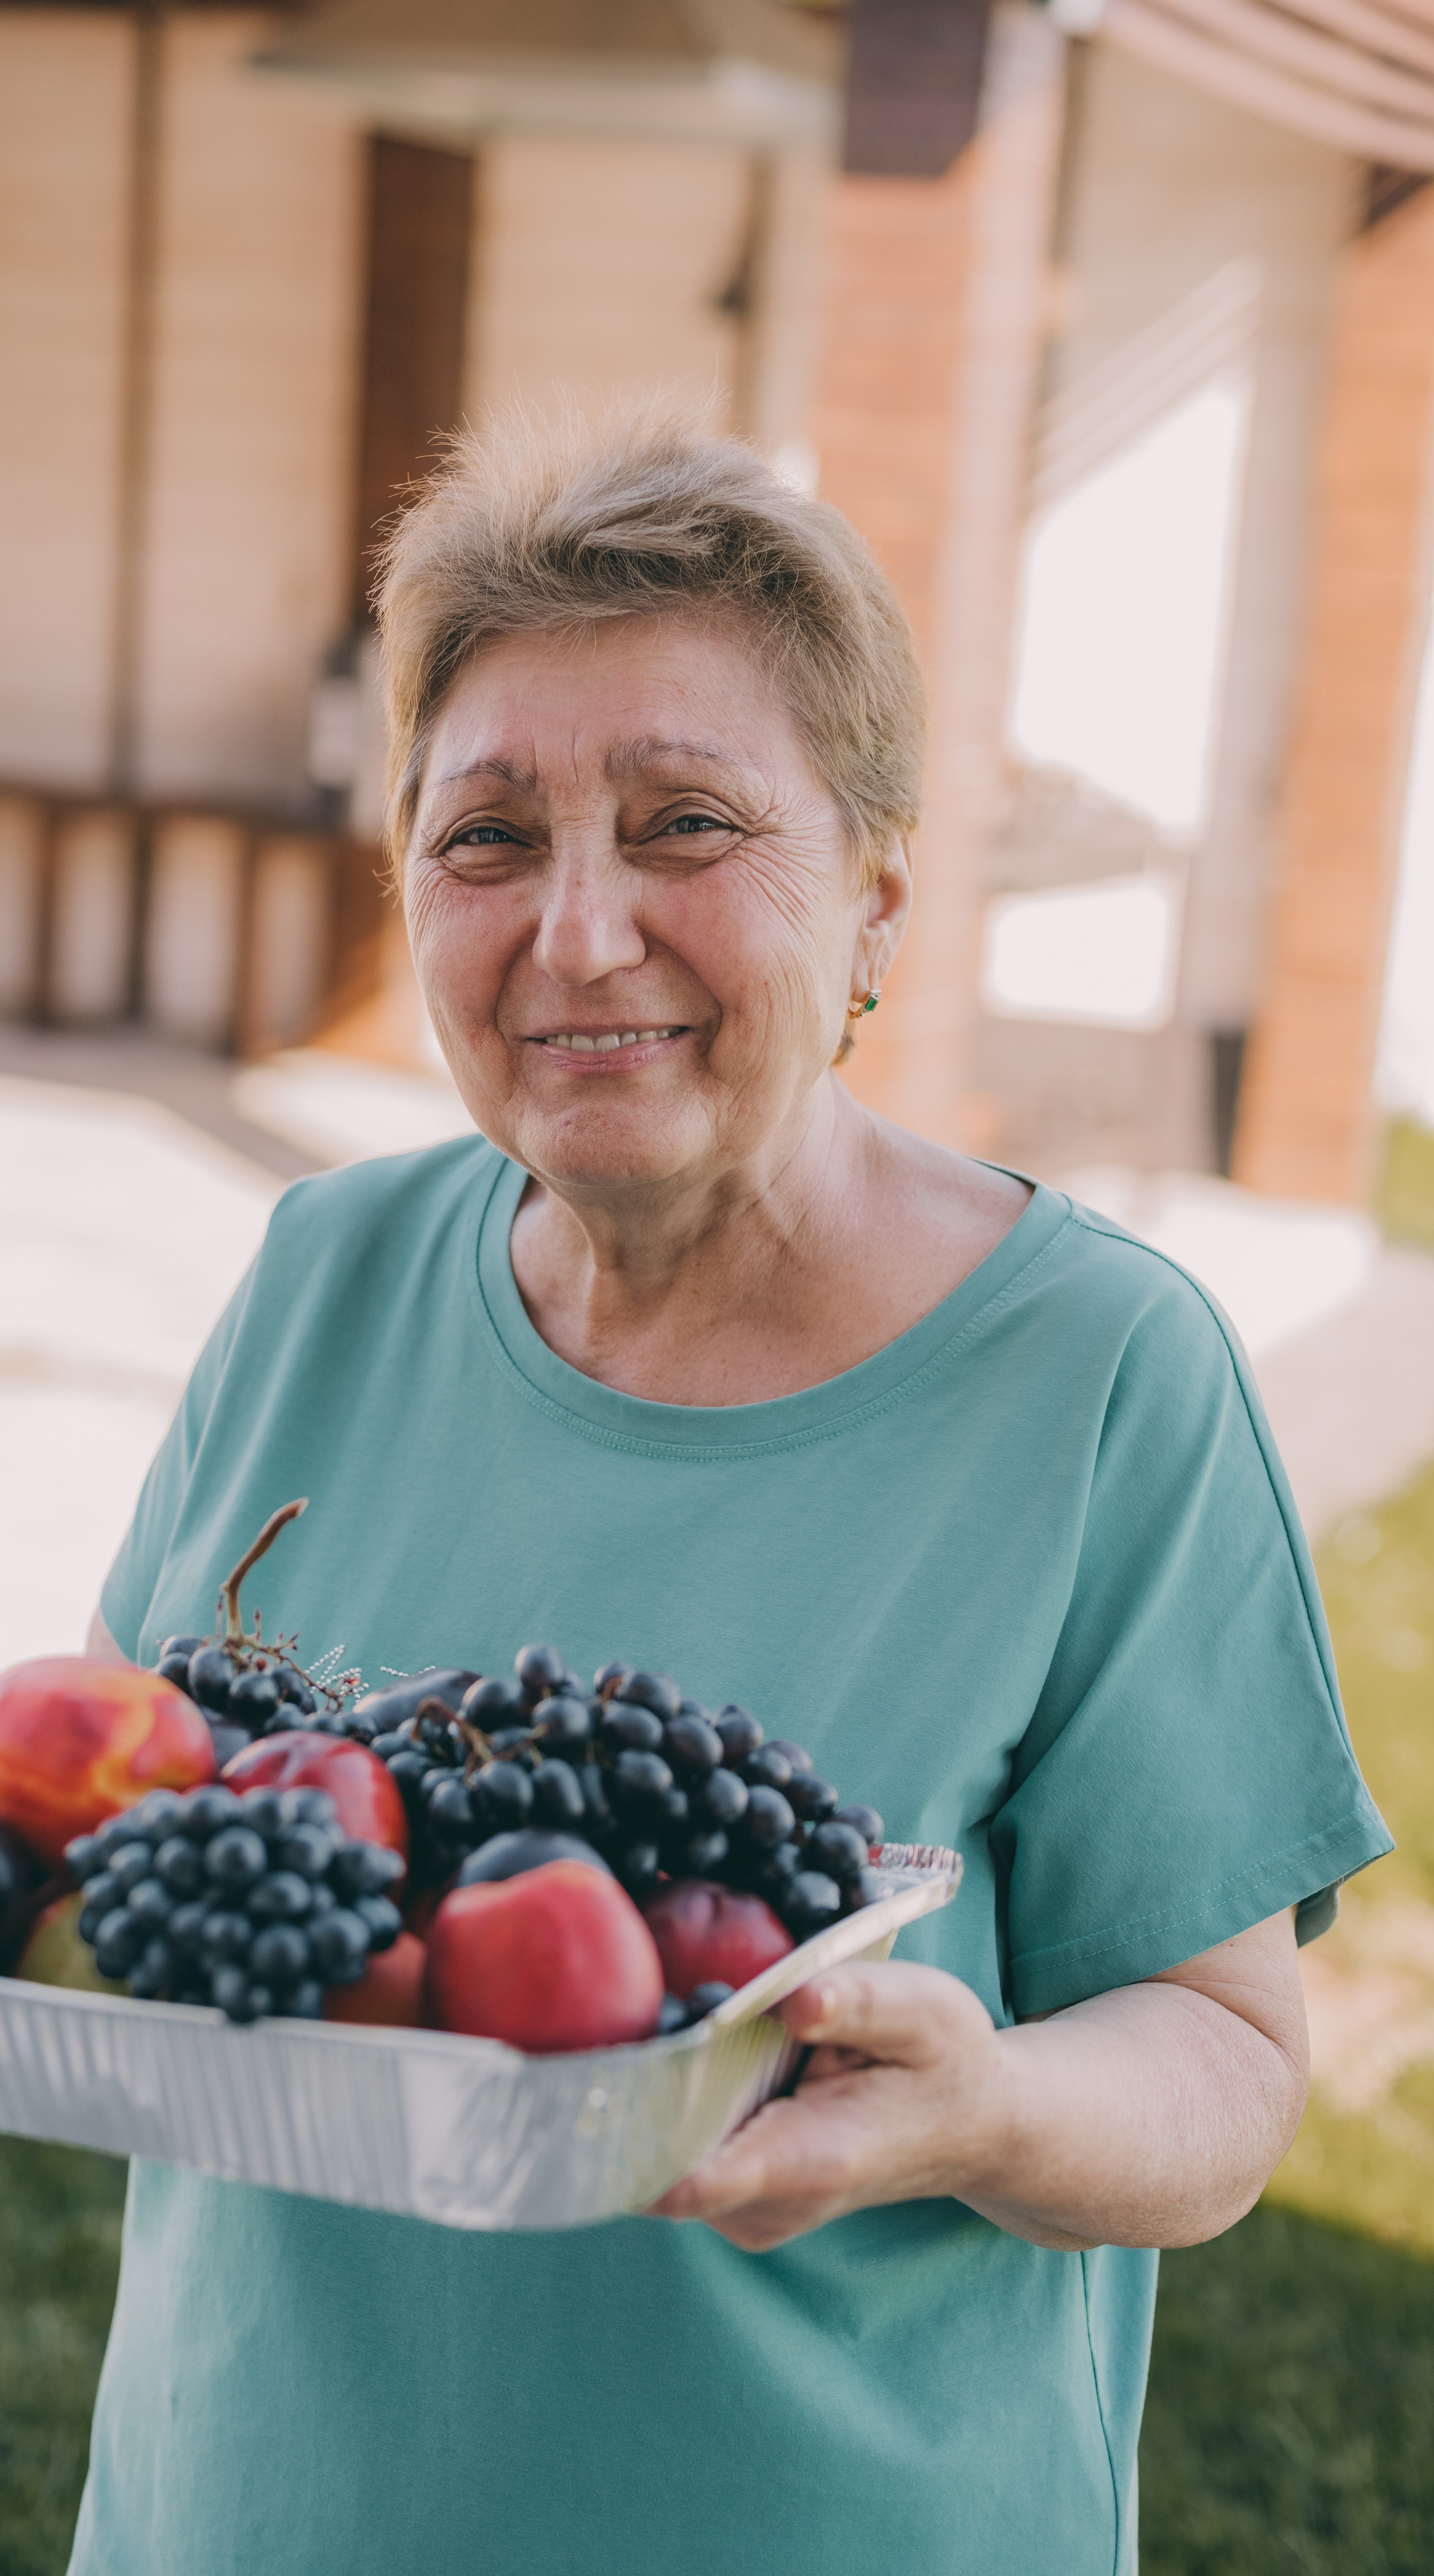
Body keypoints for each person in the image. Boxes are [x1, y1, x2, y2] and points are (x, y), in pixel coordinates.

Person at [69, 406, 1388, 2576]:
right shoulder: (324, 1275)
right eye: (487, 837)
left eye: (684, 821)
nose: (579, 937)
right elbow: (140, 1826)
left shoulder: (1099, 1376)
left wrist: (991, 2106)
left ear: (876, 889)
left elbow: (1227, 2065)